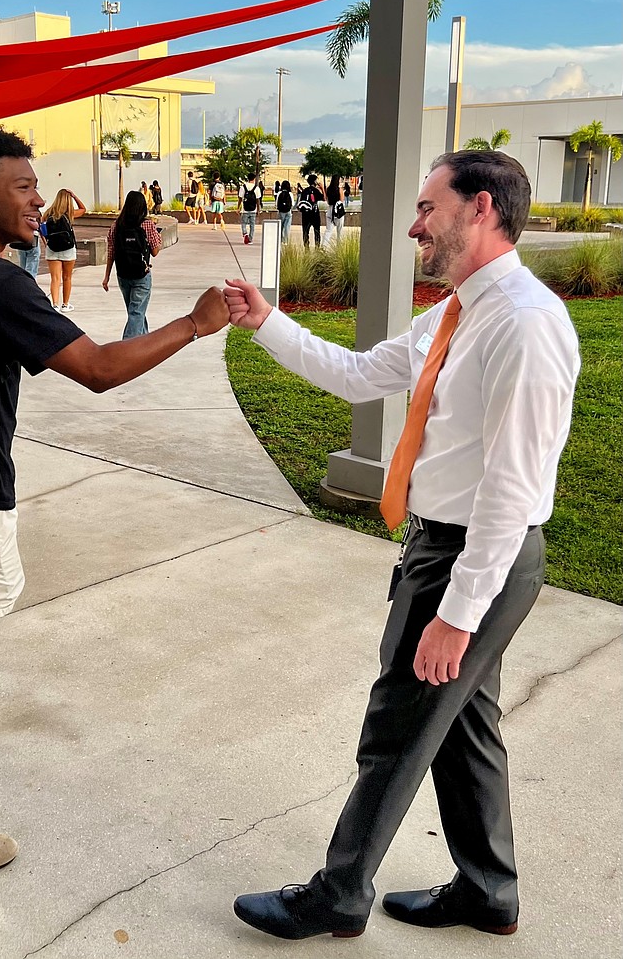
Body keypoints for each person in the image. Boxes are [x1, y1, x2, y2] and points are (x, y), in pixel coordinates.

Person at [224, 149, 580, 943]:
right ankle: (489, 889)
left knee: (399, 722)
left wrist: (457, 613)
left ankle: (339, 893)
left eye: (428, 206)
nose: (414, 223)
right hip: (443, 548)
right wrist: (266, 322)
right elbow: (357, 374)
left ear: (480, 207)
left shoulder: (524, 323)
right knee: (463, 726)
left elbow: (513, 489)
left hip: (475, 558)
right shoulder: (454, 314)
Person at [0, 124, 227, 874]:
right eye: (22, 186)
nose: (39, 198)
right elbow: (99, 368)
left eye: (36, 186)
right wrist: (196, 323)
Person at [102, 188, 162, 338]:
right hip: (142, 274)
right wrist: (158, 238)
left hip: (123, 274)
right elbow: (155, 252)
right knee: (136, 312)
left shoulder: (117, 225)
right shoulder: (147, 225)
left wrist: (107, 276)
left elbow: (111, 252)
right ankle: (127, 348)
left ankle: (146, 342)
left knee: (135, 311)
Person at [42, 188, 86, 311]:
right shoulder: (69, 213)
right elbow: (83, 209)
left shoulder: (48, 213)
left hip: (52, 249)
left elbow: (41, 228)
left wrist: (46, 242)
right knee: (67, 277)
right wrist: (75, 196)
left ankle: (55, 304)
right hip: (68, 249)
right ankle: (65, 304)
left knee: (55, 278)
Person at [298, 172, 323, 248]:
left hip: (306, 214)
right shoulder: (316, 191)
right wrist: (322, 188)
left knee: (305, 232)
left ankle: (306, 248)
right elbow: (324, 198)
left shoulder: (304, 191)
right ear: (315, 181)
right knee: (317, 231)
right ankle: (317, 247)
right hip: (314, 213)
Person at [238, 173, 262, 244]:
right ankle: (250, 239)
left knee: (243, 223)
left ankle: (245, 233)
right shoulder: (256, 188)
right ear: (254, 179)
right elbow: (258, 200)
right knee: (252, 225)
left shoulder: (243, 187)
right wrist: (258, 209)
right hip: (253, 210)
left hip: (245, 209)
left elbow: (240, 198)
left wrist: (238, 207)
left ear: (248, 178)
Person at [323, 174, 345, 245]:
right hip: (338, 210)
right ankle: (339, 247)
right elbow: (341, 200)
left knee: (328, 230)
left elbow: (328, 201)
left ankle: (324, 246)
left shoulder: (328, 189)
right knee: (340, 231)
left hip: (330, 209)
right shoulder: (339, 189)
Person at [275, 179, 294, 243]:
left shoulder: (279, 193)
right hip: (288, 211)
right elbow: (293, 204)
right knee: (287, 227)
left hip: (281, 212)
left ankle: (280, 239)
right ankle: (286, 241)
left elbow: (276, 203)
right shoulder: (290, 194)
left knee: (281, 226)